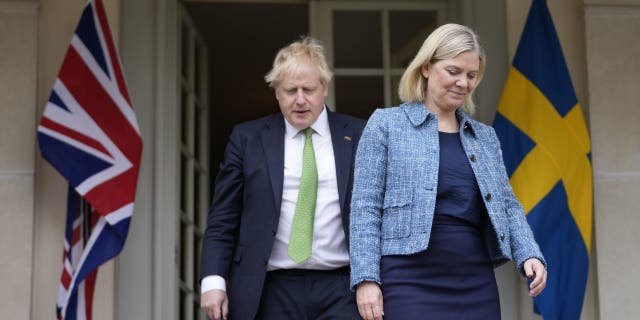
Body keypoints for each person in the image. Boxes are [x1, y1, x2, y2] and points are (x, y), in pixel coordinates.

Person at [349, 23, 547, 320]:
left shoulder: (485, 137)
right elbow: (365, 206)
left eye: (471, 75)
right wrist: (366, 278)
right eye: (453, 72)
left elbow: (507, 203)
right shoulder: (386, 125)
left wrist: (529, 253)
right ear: (427, 67)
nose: (463, 83)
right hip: (406, 280)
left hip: (474, 280)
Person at [199, 36, 365, 320]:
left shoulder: (360, 135)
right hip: (270, 288)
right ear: (277, 92)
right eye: (290, 90)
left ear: (324, 88)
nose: (300, 100)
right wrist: (212, 280)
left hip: (342, 287)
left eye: (308, 89)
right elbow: (223, 217)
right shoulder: (247, 138)